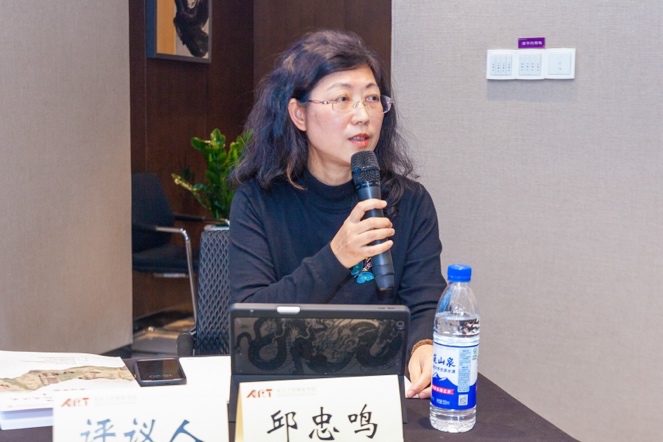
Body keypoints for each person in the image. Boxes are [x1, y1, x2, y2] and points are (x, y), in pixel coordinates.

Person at [228, 29, 446, 399]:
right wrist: (336, 257)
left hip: (379, 392)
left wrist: (424, 346)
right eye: (342, 99)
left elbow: (425, 302)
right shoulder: (257, 201)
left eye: (372, 99)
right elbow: (251, 317)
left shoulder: (408, 202)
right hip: (286, 389)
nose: (362, 116)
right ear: (299, 114)